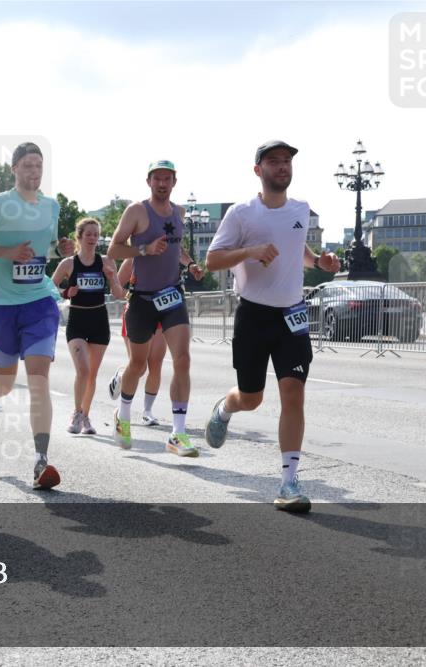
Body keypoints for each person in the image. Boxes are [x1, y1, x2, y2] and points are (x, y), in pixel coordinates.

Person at [204, 140, 340, 512]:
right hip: (254, 315)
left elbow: (298, 248)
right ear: (258, 170)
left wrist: (320, 261)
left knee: (293, 392)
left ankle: (288, 483)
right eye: (274, 161)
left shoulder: (301, 209)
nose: (282, 167)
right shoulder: (241, 214)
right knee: (252, 397)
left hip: (292, 316)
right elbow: (213, 259)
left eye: (286, 161)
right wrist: (249, 252)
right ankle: (225, 409)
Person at [0, 142, 75, 490]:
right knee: (6, 381)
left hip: (39, 301)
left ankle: (41, 460)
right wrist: (6, 252)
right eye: (27, 165)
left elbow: (48, 246)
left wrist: (62, 250)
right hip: (0, 305)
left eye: (38, 165)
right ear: (14, 169)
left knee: (39, 378)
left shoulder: (51, 206)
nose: (34, 171)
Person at [106, 160, 204, 456]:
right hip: (142, 299)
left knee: (183, 359)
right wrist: (144, 250)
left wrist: (191, 264)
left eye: (168, 179)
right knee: (139, 365)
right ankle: (123, 416)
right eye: (157, 178)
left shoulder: (179, 212)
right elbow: (114, 249)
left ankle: (178, 433)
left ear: (175, 182)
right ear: (148, 181)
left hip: (172, 295)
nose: (162, 183)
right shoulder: (137, 211)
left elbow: (177, 247)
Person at [51, 218, 124, 434]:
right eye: (89, 234)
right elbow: (48, 287)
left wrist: (112, 279)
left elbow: (120, 294)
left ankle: (86, 416)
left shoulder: (106, 261)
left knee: (91, 374)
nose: (93, 238)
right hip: (77, 321)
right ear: (80, 237)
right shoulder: (68, 264)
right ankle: (76, 413)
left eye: (96, 234)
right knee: (82, 370)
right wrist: (66, 293)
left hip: (99, 321)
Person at [107, 258, 167, 427]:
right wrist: (134, 296)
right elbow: (116, 289)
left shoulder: (166, 259)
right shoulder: (132, 260)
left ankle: (147, 411)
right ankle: (121, 376)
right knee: (139, 367)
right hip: (136, 314)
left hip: (160, 313)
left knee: (156, 363)